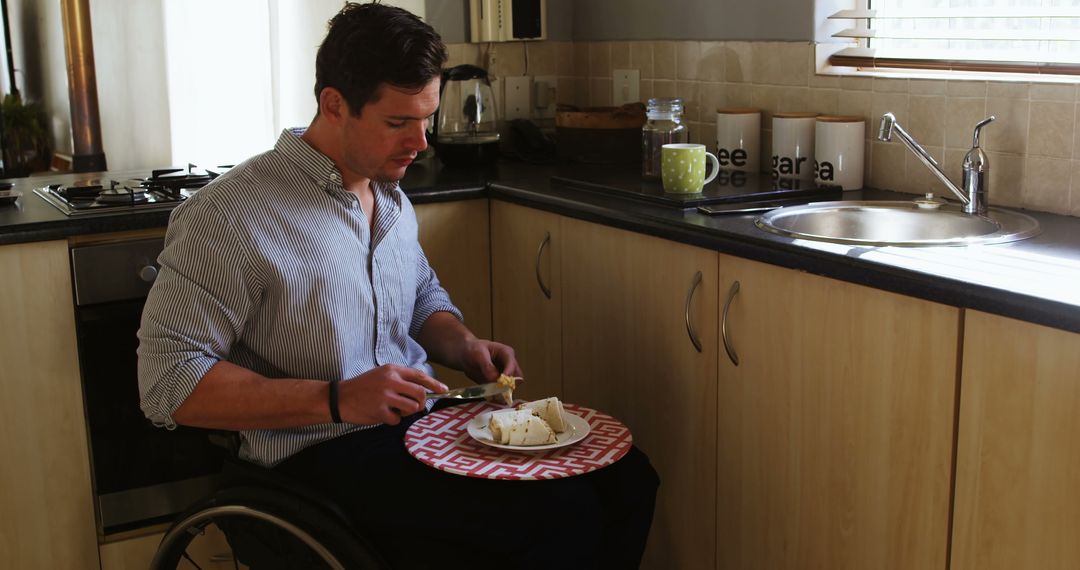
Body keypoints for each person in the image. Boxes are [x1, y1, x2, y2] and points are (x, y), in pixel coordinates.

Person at [138, 2, 658, 568]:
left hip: (422, 428)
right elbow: (168, 383)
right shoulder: (232, 214)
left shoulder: (388, 196)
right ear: (333, 104)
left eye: (426, 119)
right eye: (397, 123)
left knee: (628, 480)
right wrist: (338, 399)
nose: (422, 142)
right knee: (560, 515)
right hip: (316, 455)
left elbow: (420, 301)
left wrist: (463, 346)